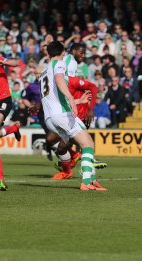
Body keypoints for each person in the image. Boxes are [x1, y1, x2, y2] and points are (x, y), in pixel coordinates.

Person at [40, 41, 106, 191]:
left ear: (48, 53)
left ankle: (92, 179)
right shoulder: (60, 64)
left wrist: (78, 100)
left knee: (84, 143)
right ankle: (86, 182)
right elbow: (59, 79)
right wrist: (71, 98)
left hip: (50, 119)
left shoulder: (43, 72)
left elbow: (54, 98)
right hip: (62, 115)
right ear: (63, 52)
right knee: (88, 145)